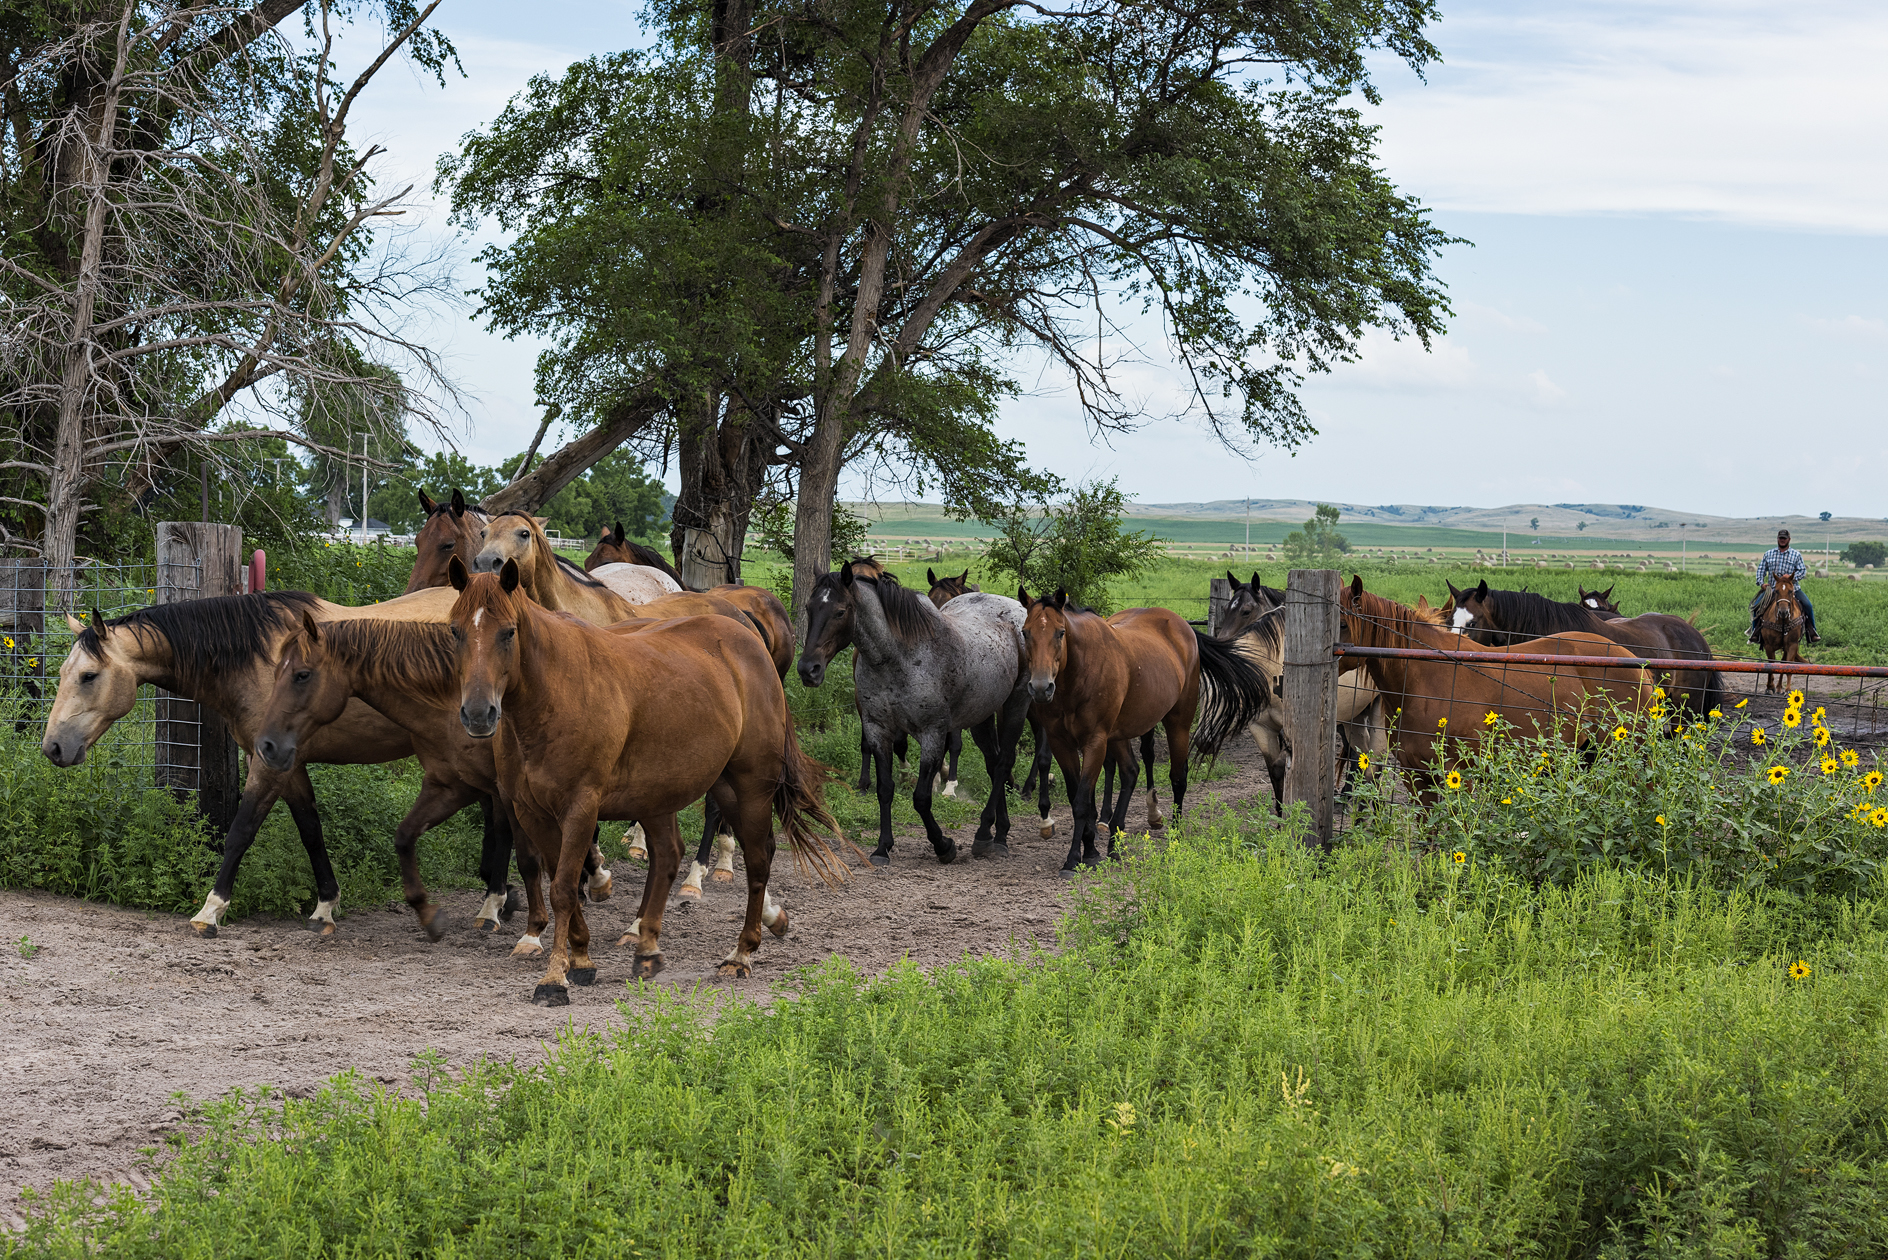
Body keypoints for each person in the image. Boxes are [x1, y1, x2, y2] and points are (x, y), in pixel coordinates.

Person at [1748, 528, 1820, 645]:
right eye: (1780, 538)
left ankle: (1812, 632)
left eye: (1784, 538)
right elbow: (1761, 570)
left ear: (1789, 540)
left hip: (1792, 590)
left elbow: (1802, 571)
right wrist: (1761, 583)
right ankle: (1755, 633)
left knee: (1808, 605)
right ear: (1777, 539)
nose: (1782, 540)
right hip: (1773, 589)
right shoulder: (1769, 554)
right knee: (1757, 606)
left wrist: (1792, 577)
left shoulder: (1796, 555)